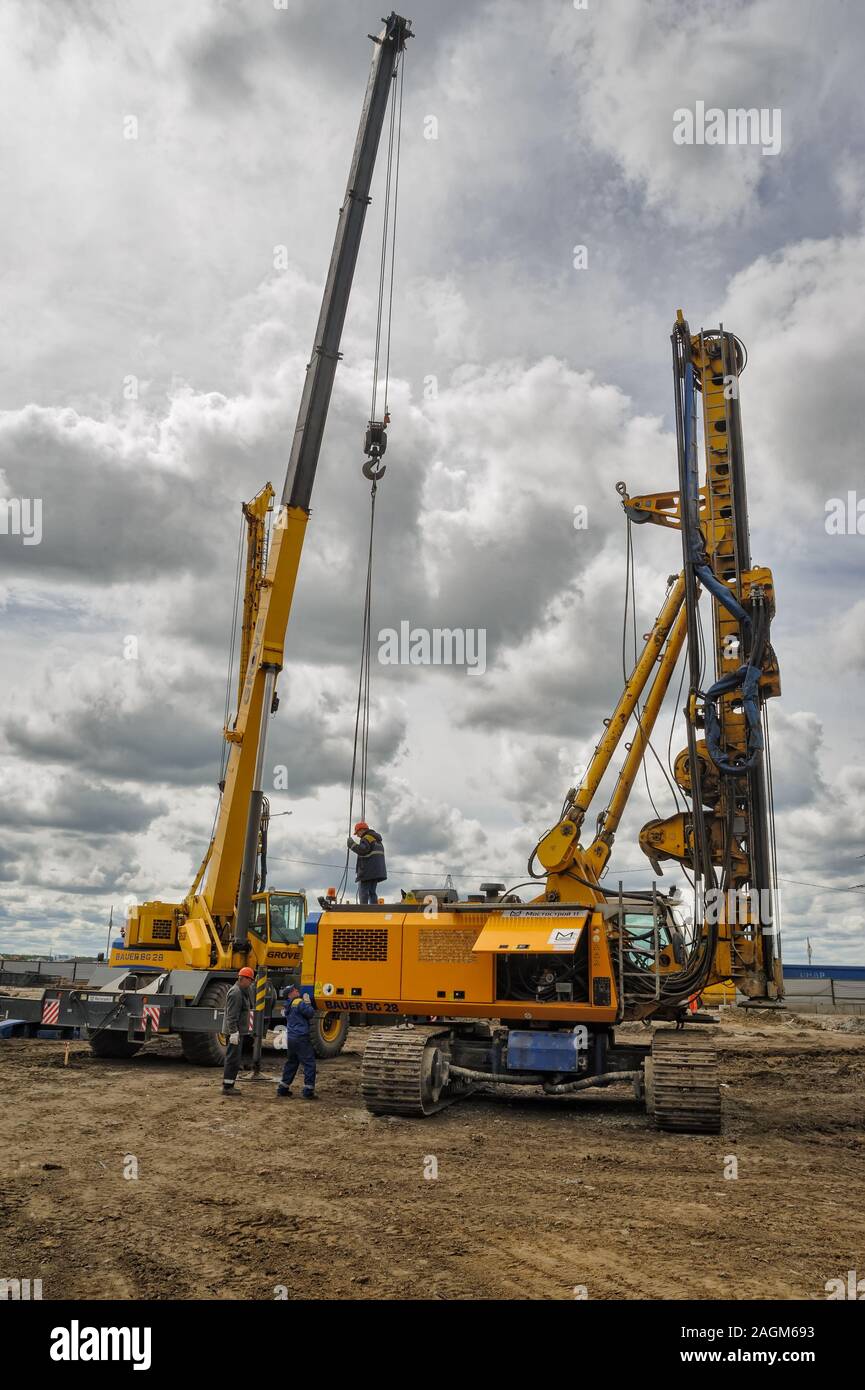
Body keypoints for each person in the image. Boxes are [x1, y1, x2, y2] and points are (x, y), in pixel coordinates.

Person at [276, 986, 318, 1099]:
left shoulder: (287, 1005)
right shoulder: (299, 1002)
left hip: (291, 1037)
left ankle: (283, 1088)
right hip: (301, 1037)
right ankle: (308, 1091)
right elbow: (310, 1013)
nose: (297, 991)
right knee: (309, 1063)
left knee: (292, 1062)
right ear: (290, 994)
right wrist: (308, 1003)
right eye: (295, 990)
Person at [222, 966, 255, 1096]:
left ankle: (229, 1084)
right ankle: (227, 1086)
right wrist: (233, 1032)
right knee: (232, 1059)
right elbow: (232, 1015)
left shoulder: (242, 991)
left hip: (238, 1032)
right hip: (234, 1033)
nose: (251, 983)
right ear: (243, 979)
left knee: (235, 1059)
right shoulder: (236, 993)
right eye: (250, 980)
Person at [347, 820, 387, 905]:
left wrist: (352, 845)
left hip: (368, 871)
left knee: (363, 892)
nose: (357, 835)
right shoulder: (377, 840)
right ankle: (373, 911)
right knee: (372, 892)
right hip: (377, 871)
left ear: (361, 830)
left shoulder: (366, 838)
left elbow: (362, 850)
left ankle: (363, 910)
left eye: (357, 833)